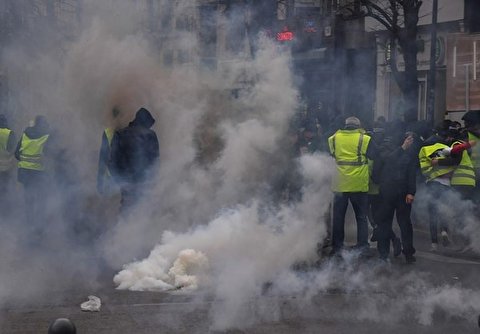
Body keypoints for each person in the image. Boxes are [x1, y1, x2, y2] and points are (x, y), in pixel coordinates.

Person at [327, 116, 377, 255]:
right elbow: (374, 155)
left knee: (338, 218)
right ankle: (362, 246)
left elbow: (331, 155)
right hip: (358, 184)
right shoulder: (364, 139)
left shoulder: (334, 138)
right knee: (361, 217)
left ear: (346, 125)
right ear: (358, 126)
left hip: (339, 184)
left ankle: (337, 247)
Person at [418, 124, 473, 251]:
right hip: (448, 184)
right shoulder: (449, 149)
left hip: (436, 183)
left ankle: (434, 244)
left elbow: (453, 162)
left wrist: (437, 162)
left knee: (433, 213)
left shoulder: (449, 146)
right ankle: (445, 231)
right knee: (444, 210)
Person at [373, 131, 418, 263]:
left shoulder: (406, 155)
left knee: (392, 224)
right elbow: (409, 174)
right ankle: (398, 254)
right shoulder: (391, 153)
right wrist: (410, 192)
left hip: (391, 194)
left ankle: (389, 254)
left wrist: (411, 192)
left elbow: (411, 174)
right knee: (395, 224)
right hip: (395, 194)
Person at [110, 107, 159, 213]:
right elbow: (155, 160)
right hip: (143, 181)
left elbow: (113, 160)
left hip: (125, 181)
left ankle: (125, 228)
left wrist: (119, 179)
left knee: (127, 208)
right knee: (142, 210)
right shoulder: (150, 135)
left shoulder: (120, 134)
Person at [15, 115, 52, 234]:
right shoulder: (46, 137)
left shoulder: (25, 134)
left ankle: (29, 224)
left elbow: (16, 154)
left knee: (29, 199)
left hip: (25, 173)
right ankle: (39, 227)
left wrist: (25, 160)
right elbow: (50, 154)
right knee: (41, 199)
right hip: (38, 174)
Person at [97, 107, 121, 196]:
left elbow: (103, 157)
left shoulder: (108, 132)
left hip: (115, 176)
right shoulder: (108, 132)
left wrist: (99, 181)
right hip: (115, 177)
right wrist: (100, 181)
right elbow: (103, 157)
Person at [0, 114, 16, 212]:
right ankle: (4, 210)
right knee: (4, 190)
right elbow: (12, 149)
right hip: (5, 167)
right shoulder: (9, 133)